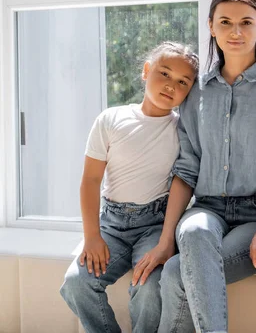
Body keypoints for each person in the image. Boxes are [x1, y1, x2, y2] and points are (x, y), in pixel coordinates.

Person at [131, 0, 256, 333]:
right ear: (211, 26)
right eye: (225, 22)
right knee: (194, 231)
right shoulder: (196, 89)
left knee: (174, 273)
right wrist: (167, 240)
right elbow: (186, 169)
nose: (236, 31)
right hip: (206, 209)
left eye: (246, 22)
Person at [60, 41, 199, 333]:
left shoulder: (183, 129)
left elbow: (183, 182)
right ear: (146, 72)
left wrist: (165, 241)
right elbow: (90, 180)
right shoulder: (110, 119)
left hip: (156, 225)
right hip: (111, 225)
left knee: (149, 289)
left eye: (182, 81)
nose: (171, 85)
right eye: (164, 73)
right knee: (77, 283)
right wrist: (92, 237)